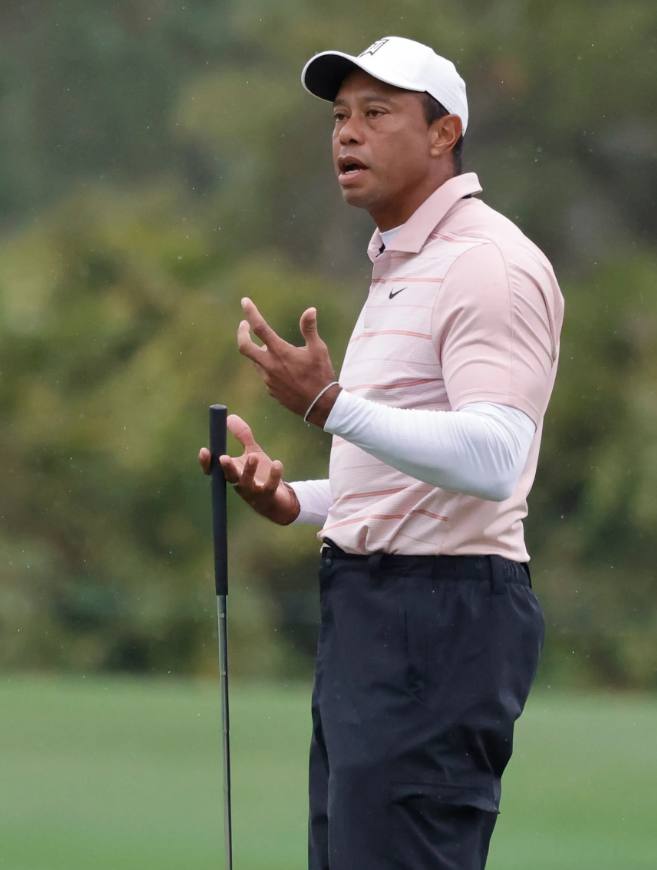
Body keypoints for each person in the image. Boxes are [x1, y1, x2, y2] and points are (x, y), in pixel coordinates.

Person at [198, 37, 563, 869]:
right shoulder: (404, 263)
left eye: (375, 113)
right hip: (375, 615)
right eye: (337, 117)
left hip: (438, 617)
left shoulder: (486, 264)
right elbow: (408, 471)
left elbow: (493, 457)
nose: (345, 135)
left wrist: (329, 405)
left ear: (444, 133)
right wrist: (298, 502)